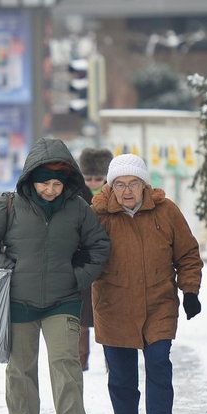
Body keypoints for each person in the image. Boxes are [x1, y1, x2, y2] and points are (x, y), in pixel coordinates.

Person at [0, 137, 111, 414]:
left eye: (57, 184)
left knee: (66, 361)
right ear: (30, 179)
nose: (50, 190)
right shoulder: (7, 205)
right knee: (21, 367)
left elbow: (99, 247)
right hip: (19, 300)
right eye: (44, 184)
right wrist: (6, 266)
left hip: (63, 300)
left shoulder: (79, 208)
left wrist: (78, 277)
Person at [90, 153, 203, 414]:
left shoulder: (166, 212)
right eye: (120, 185)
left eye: (133, 183)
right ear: (111, 187)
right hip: (113, 305)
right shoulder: (98, 215)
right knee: (122, 374)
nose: (127, 191)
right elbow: (82, 255)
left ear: (144, 185)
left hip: (158, 303)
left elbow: (188, 254)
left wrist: (189, 291)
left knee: (158, 363)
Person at [75, 148, 114, 371]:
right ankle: (81, 360)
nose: (92, 182)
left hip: (108, 263)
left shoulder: (114, 194)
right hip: (82, 261)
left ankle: (112, 361)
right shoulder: (75, 194)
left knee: (107, 315)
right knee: (81, 316)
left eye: (97, 178)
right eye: (88, 178)